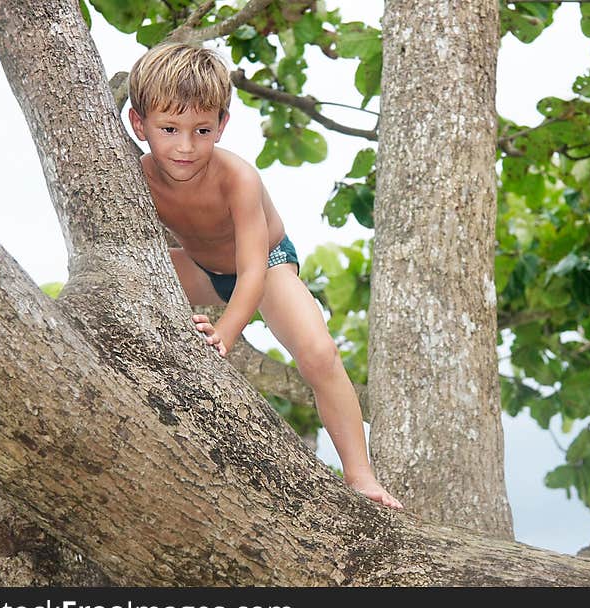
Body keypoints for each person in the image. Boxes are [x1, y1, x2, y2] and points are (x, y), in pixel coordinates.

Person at [127, 42, 402, 510]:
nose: (185, 146)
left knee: (319, 353)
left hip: (268, 266)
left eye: (202, 129)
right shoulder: (134, 173)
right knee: (125, 281)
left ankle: (360, 475)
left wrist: (224, 334)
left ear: (222, 125)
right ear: (139, 124)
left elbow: (253, 266)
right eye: (169, 129)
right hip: (200, 270)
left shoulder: (237, 177)